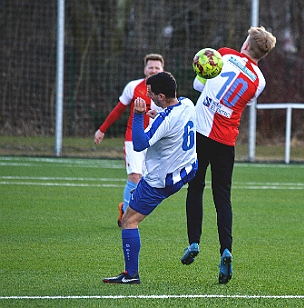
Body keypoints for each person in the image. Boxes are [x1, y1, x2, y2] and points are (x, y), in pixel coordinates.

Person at [181, 26, 276, 284]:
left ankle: (194, 242)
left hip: (201, 133)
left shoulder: (222, 56)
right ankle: (226, 249)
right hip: (225, 141)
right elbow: (245, 101)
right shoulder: (259, 80)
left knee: (195, 187)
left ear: (246, 44)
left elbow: (198, 84)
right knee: (222, 197)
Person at [103, 72, 198, 284]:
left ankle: (131, 275)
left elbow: (139, 144)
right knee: (132, 206)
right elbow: (175, 123)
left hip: (159, 182)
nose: (148, 97)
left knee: (128, 221)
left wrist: (138, 115)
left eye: (151, 94)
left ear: (162, 96)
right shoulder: (187, 104)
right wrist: (159, 115)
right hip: (188, 169)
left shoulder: (165, 118)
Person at [94, 54, 165, 227]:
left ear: (162, 70)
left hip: (156, 141)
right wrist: (102, 129)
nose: (153, 70)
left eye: (157, 68)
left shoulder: (167, 90)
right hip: (133, 138)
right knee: (134, 176)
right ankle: (127, 216)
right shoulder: (133, 87)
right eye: (151, 67)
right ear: (145, 69)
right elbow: (119, 110)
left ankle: (126, 208)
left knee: (149, 181)